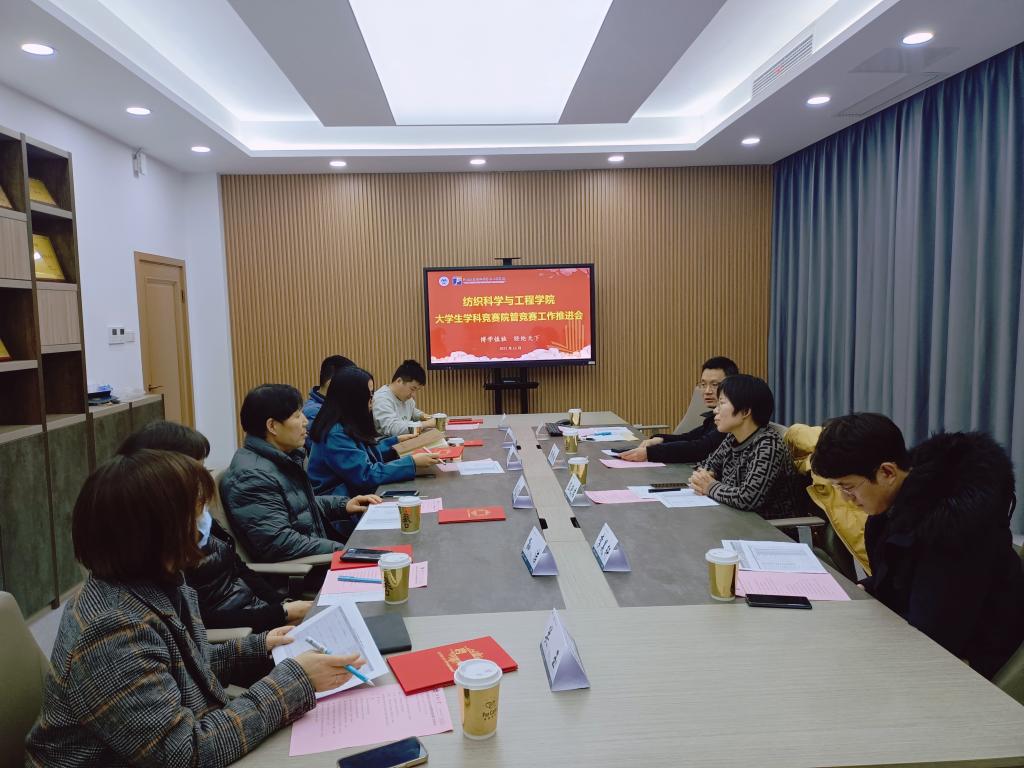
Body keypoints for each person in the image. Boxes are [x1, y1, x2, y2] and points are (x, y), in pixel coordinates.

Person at [25, 450, 365, 766]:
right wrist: (295, 680)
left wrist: (261, 647)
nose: (206, 522)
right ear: (153, 531)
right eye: (196, 511)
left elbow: (182, 665)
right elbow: (185, 753)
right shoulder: (112, 630)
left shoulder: (160, 581)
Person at [811, 413, 1024, 679]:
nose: (846, 499)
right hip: (930, 638)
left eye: (849, 487)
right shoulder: (899, 503)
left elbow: (935, 634)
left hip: (973, 662)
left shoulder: (952, 528)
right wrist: (871, 587)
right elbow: (907, 577)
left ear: (887, 472)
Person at [118, 420, 313, 631]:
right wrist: (280, 614)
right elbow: (198, 623)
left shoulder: (197, 518)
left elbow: (238, 568)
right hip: (241, 633)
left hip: (260, 619)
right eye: (194, 472)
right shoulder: (160, 550)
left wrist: (283, 606)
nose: (201, 483)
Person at [220, 383, 380, 561]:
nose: (305, 422)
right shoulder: (252, 477)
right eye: (297, 416)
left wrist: (343, 505)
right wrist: (346, 550)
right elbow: (280, 543)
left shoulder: (278, 459)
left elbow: (297, 507)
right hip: (304, 571)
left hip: (318, 555)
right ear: (272, 426)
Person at [309, 366, 440, 496]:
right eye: (369, 396)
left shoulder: (346, 422)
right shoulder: (335, 434)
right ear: (353, 399)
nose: (372, 401)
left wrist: (396, 442)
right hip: (341, 501)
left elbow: (364, 455)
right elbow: (366, 475)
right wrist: (412, 463)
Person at [688, 374, 804, 519]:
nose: (715, 411)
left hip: (770, 527)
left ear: (745, 411)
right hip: (735, 517)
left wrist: (710, 486)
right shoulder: (732, 437)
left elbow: (747, 498)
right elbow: (706, 466)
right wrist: (704, 477)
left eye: (721, 403)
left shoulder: (768, 445)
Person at [620, 356, 738, 463]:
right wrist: (660, 439)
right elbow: (690, 437)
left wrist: (650, 453)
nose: (707, 391)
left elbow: (700, 448)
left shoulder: (732, 419)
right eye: (703, 384)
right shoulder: (714, 417)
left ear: (732, 385)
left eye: (715, 384)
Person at [303, 355, 355, 451]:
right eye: (351, 384)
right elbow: (333, 448)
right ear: (332, 383)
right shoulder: (314, 412)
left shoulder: (336, 407)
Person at [372, 359, 435, 437]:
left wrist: (428, 417)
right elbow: (393, 429)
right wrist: (426, 424)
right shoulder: (381, 399)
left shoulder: (406, 398)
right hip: (390, 443)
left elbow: (413, 412)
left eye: (417, 390)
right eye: (412, 389)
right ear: (399, 381)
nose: (413, 395)